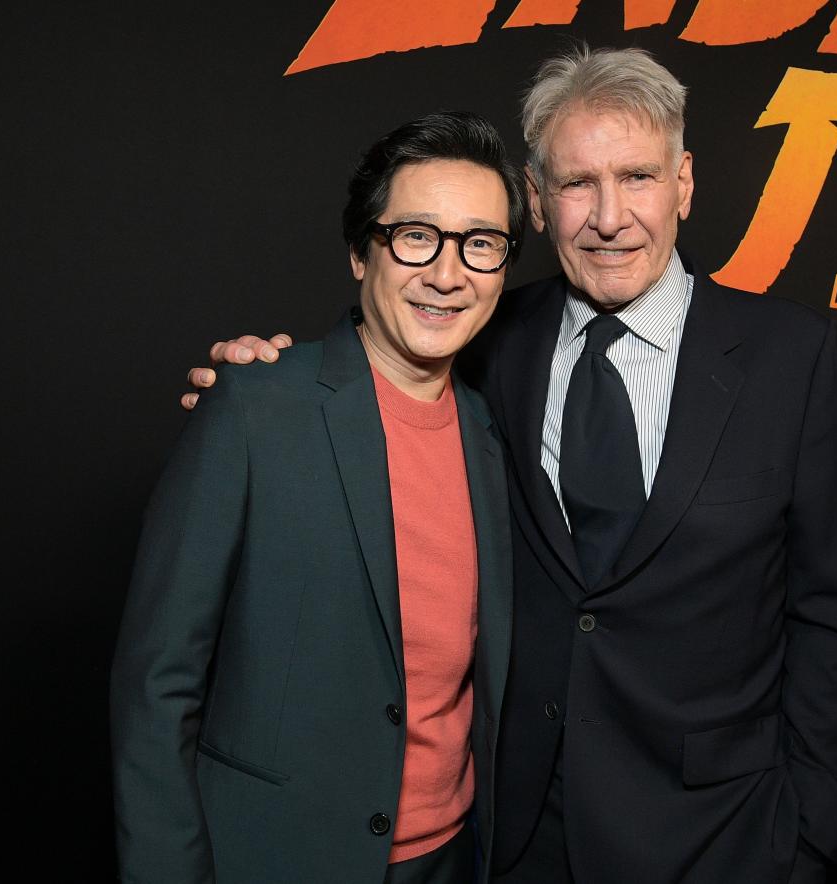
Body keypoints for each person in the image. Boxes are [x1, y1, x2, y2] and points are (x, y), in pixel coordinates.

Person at [187, 47, 837, 882]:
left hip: (722, 838)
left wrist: (808, 836)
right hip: (515, 834)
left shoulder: (791, 357)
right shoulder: (487, 337)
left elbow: (832, 611)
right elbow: (381, 362)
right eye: (578, 184)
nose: (609, 217)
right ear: (537, 201)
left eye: (638, 177)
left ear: (684, 183)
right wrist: (271, 380)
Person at [111, 111, 525, 884]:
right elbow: (156, 683)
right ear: (360, 253)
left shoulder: (495, 436)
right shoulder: (258, 405)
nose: (447, 273)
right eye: (415, 236)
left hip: (454, 857)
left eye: (480, 244)